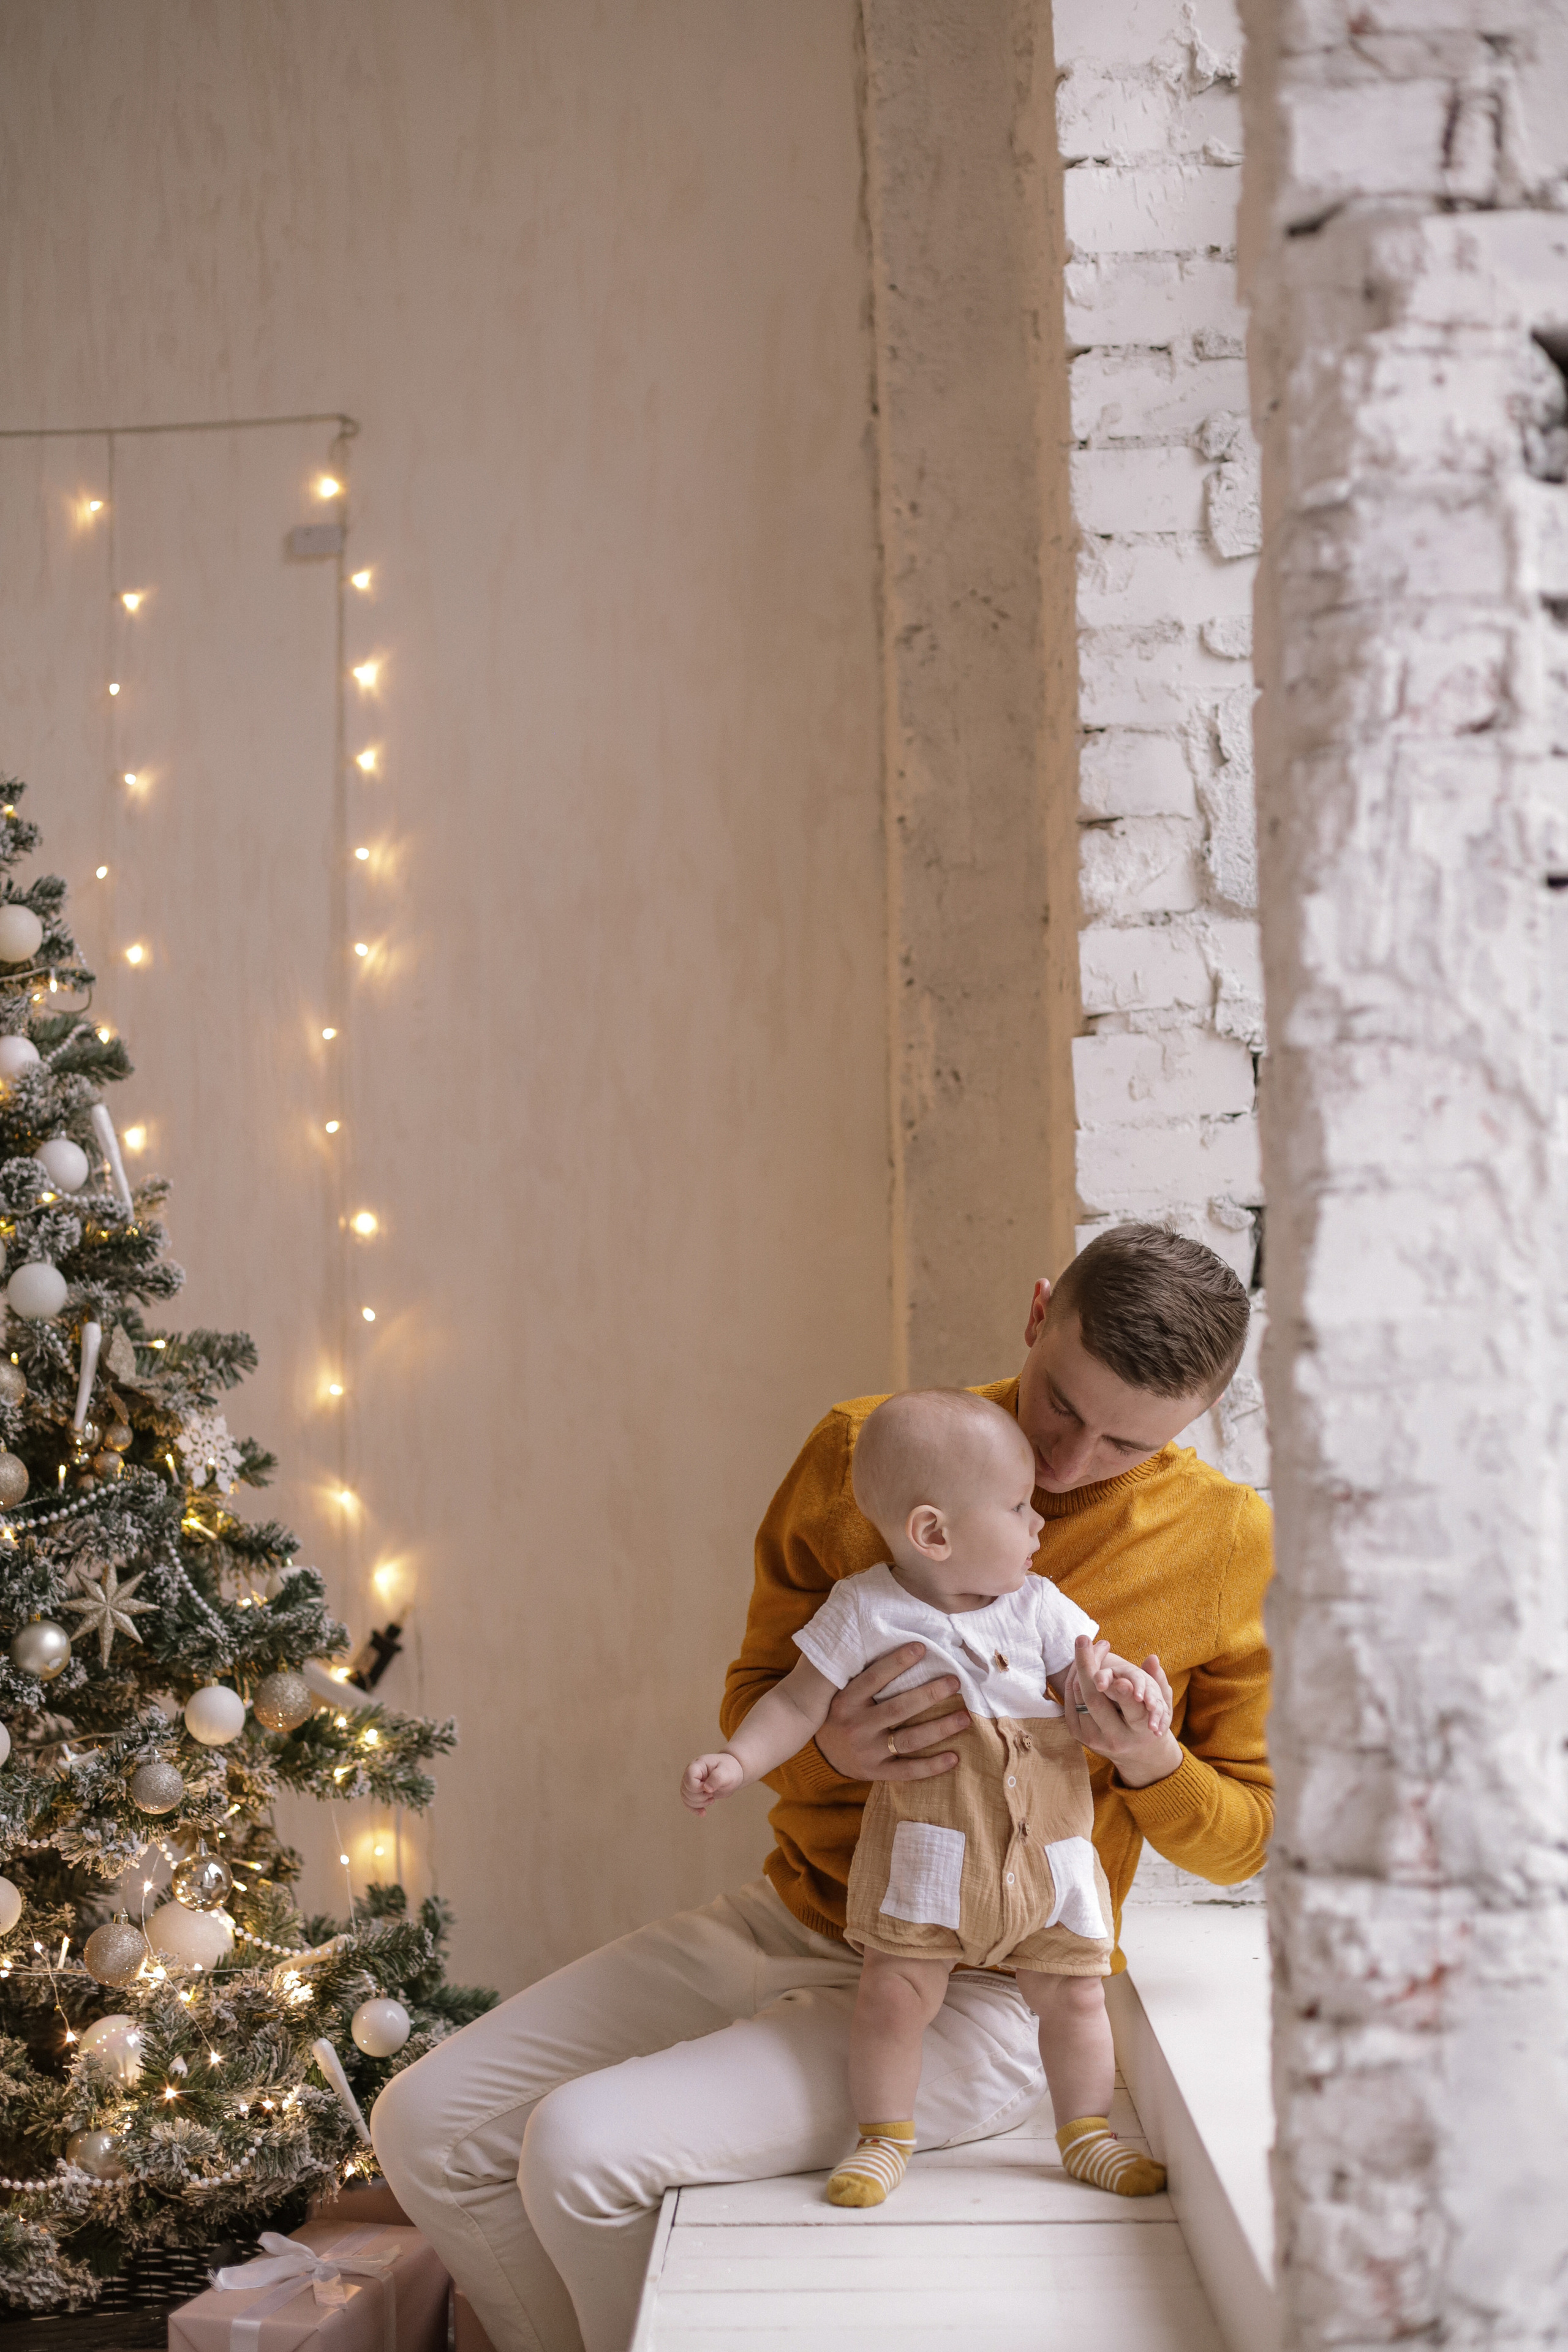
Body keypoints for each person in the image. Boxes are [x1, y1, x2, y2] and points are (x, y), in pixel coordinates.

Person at [372, 1224, 1273, 2352]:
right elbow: (760, 1692)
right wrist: (831, 1749)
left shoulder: (1225, 1540)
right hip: (795, 1911)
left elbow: (1243, 1842)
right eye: (1061, 1404)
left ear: (1194, 1424)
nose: (1068, 1461)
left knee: (576, 2152)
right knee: (423, 2123)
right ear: (1039, 1313)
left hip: (988, 1991)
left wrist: (1145, 1758)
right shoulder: (863, 1454)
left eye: (1125, 1444)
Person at [680, 1386, 1170, 2207]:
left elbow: (1091, 1675)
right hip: (933, 1855)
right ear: (933, 1533)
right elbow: (798, 1702)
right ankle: (883, 2136)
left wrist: (1128, 1691)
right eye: (1018, 1507)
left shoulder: (1039, 1608)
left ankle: (1087, 2132)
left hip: (1045, 1855)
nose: (1039, 1523)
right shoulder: (866, 1609)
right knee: (894, 1995)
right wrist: (737, 1760)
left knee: (1075, 1993)